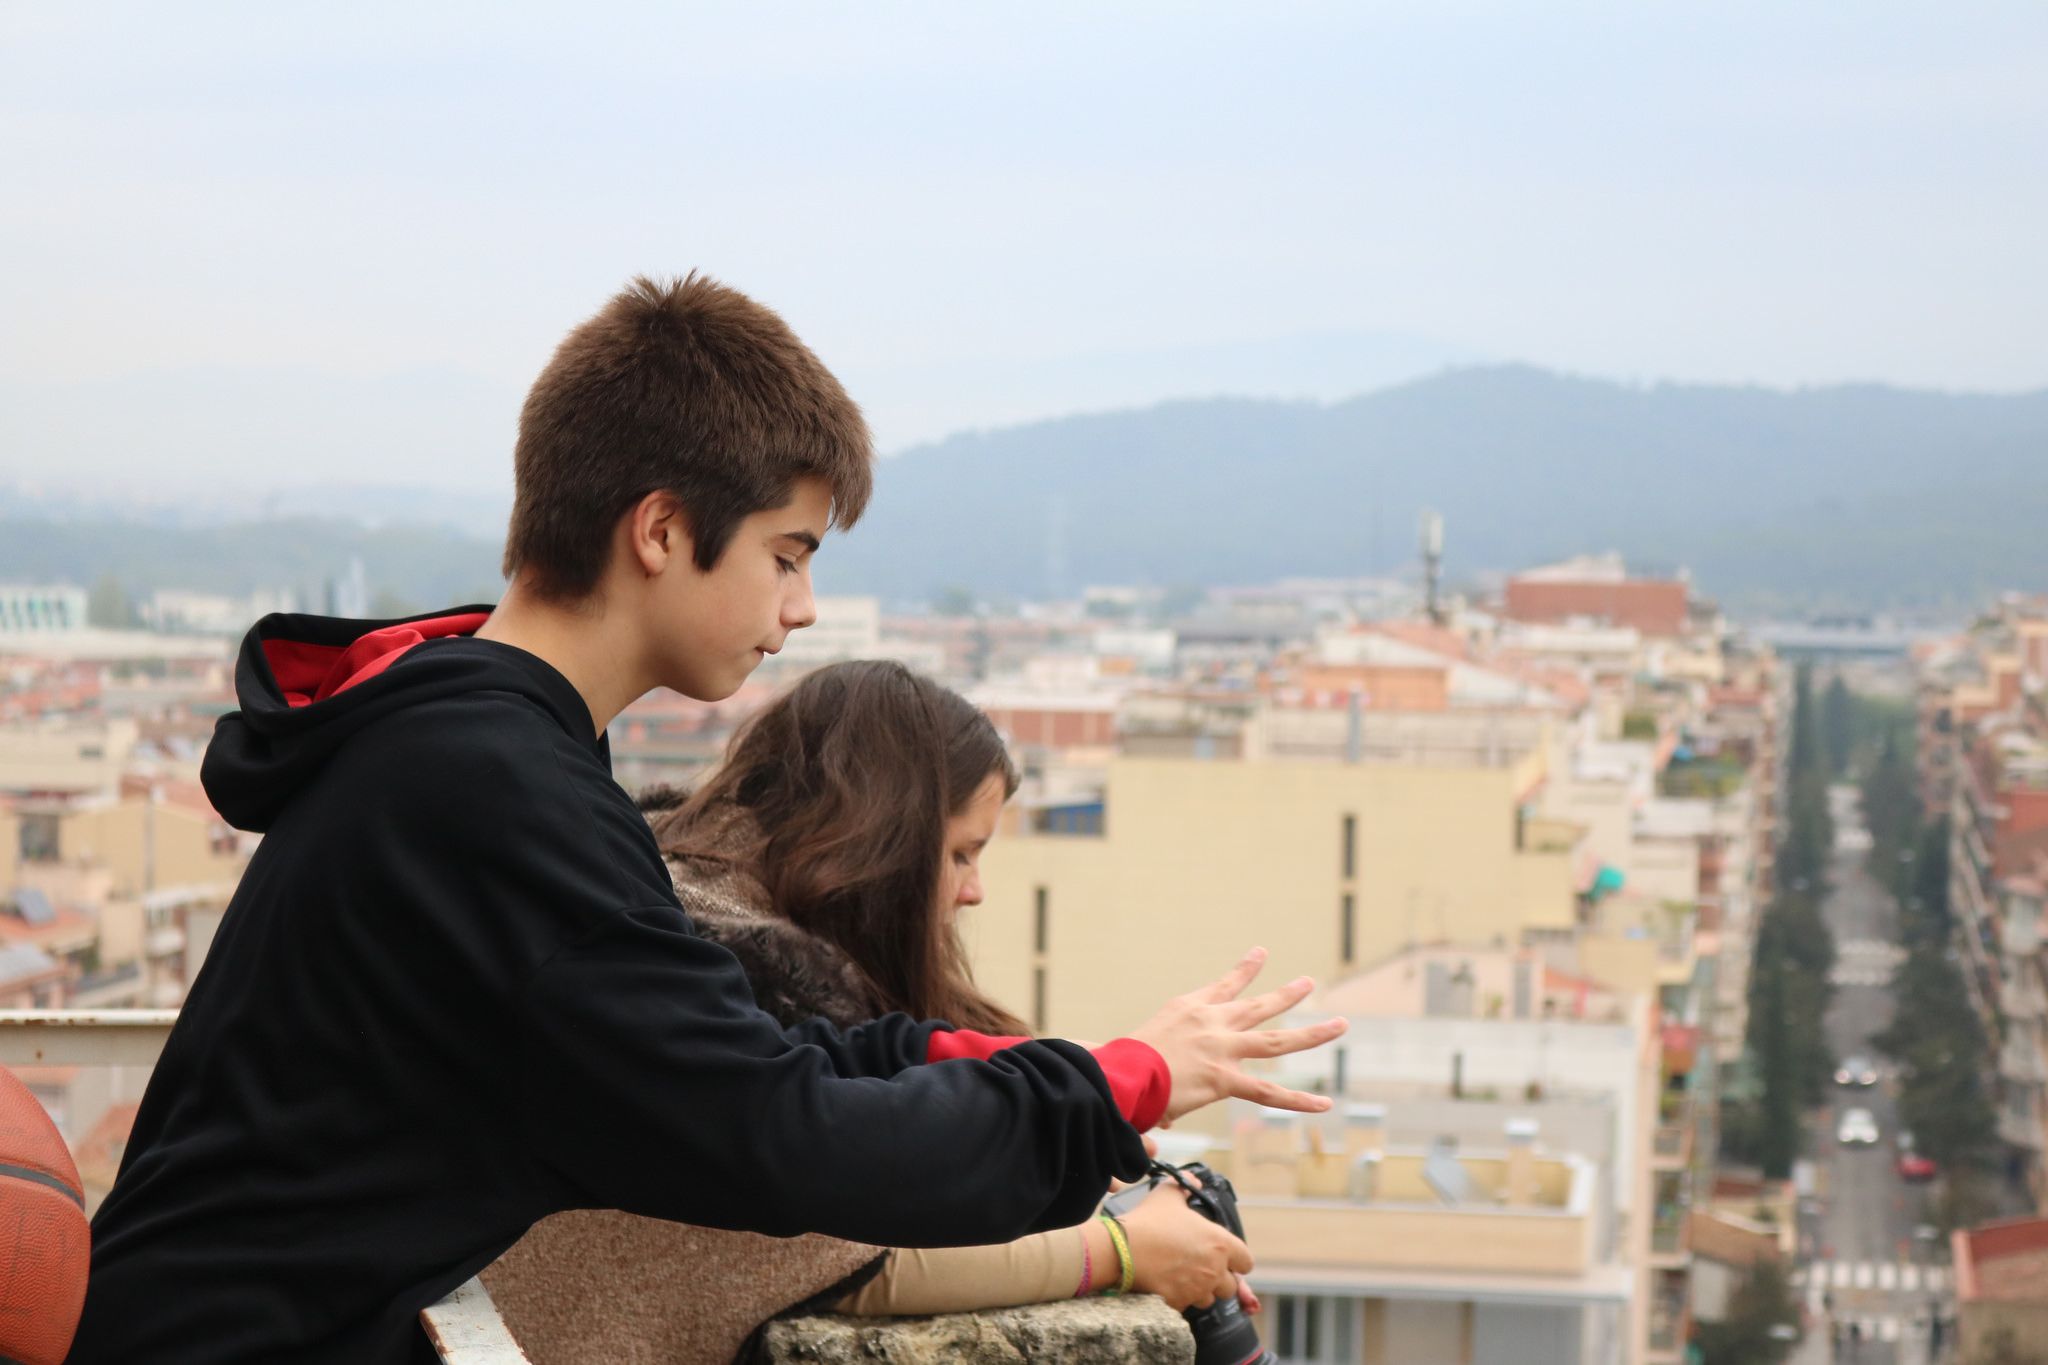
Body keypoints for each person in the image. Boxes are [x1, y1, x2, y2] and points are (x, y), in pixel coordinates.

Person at [72, 275, 1344, 1363]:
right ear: (663, 530)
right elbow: (773, 1136)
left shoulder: (465, 741)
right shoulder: (490, 789)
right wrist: (1114, 1086)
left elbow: (738, 1043)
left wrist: (1024, 1067)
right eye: (787, 554)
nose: (800, 608)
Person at [484, 662, 1259, 1363]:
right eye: (959, 853)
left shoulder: (662, 902)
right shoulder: (722, 972)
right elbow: (850, 1255)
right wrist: (1123, 1248)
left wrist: (1059, 1106)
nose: (974, 890)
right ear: (886, 848)